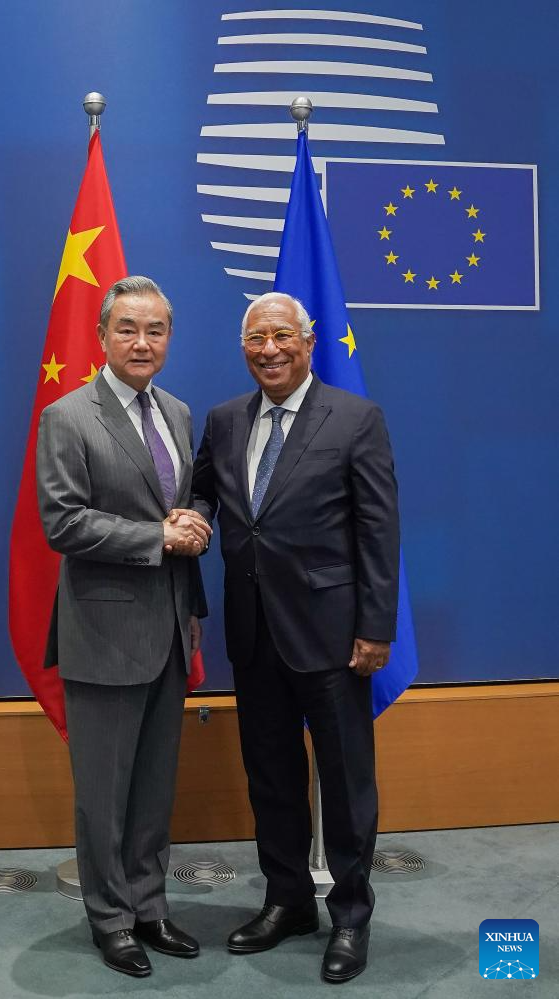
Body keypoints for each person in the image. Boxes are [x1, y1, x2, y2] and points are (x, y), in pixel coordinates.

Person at [191, 291, 399, 984]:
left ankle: (350, 915)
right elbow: (202, 491)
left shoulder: (356, 418)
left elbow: (378, 528)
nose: (270, 349)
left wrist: (375, 626)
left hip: (334, 636)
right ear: (243, 347)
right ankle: (287, 900)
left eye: (283, 336)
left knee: (345, 781)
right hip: (254, 633)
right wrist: (192, 518)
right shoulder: (224, 420)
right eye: (257, 338)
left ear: (308, 343)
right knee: (271, 775)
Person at [36, 275, 211, 978]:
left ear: (169, 338)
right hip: (104, 635)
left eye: (156, 330)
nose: (143, 342)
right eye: (128, 329)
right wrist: (158, 537)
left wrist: (192, 525)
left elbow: (181, 503)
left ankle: (149, 905)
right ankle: (110, 918)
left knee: (153, 787)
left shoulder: (178, 411)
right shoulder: (68, 416)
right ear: (102, 335)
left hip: (169, 630)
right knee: (104, 795)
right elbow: (63, 522)